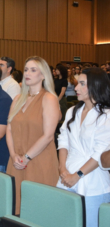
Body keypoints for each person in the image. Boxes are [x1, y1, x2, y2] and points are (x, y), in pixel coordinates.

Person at [6, 56, 61, 215]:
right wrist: (13, 154)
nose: (27, 73)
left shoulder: (49, 98)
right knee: (16, 209)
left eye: (33, 70)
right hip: (16, 160)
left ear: (43, 75)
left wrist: (27, 158)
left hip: (39, 160)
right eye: (26, 70)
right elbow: (9, 128)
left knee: (39, 210)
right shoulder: (17, 98)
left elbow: (48, 135)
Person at [57, 67, 110, 227]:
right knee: (65, 222)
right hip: (67, 176)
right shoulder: (73, 111)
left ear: (96, 86)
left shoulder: (106, 115)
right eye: (77, 83)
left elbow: (100, 152)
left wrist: (77, 175)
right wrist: (62, 169)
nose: (76, 88)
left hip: (93, 180)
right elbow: (63, 139)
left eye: (82, 84)